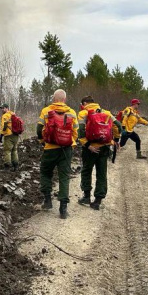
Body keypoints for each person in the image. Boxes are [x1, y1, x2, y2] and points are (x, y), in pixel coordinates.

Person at [37, 89, 78, 219]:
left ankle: (47, 201)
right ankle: (63, 209)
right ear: (64, 99)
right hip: (66, 149)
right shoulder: (72, 112)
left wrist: (43, 142)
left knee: (45, 172)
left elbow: (39, 129)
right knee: (64, 177)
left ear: (54, 99)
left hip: (50, 148)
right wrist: (71, 143)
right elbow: (76, 132)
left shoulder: (46, 111)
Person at [77, 96, 116, 210]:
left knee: (86, 171)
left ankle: (86, 197)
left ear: (84, 103)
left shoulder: (83, 113)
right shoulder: (106, 112)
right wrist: (115, 140)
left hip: (90, 149)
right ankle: (98, 201)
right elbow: (118, 126)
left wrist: (87, 145)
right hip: (104, 147)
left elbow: (80, 130)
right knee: (101, 173)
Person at [0, 103, 20, 170]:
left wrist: (1, 135)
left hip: (8, 135)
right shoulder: (13, 114)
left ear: (6, 108)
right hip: (15, 134)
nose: (2, 109)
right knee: (14, 150)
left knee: (7, 151)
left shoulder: (5, 116)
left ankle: (7, 166)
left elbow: (4, 127)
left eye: (3, 108)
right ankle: (16, 166)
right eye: (1, 108)